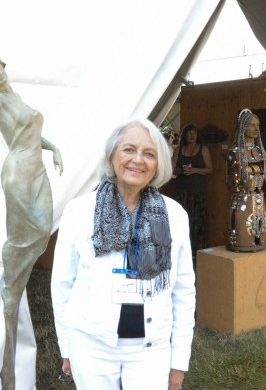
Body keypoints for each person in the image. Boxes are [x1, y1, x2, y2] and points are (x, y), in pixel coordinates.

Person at [51, 119, 195, 390]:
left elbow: (184, 291)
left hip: (151, 349)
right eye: (129, 149)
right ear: (112, 156)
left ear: (158, 164)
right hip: (91, 344)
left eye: (149, 154)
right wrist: (67, 345)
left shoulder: (174, 215)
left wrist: (179, 360)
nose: (138, 160)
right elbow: (62, 284)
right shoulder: (79, 211)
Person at [0, 49, 63, 389]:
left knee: (43, 228)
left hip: (37, 168)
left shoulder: (15, 98)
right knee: (31, 232)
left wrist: (53, 148)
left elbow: (33, 129)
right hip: (19, 172)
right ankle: (12, 292)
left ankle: (14, 285)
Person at [225, 109, 266, 252]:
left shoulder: (260, 152)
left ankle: (258, 241)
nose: (256, 128)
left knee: (261, 230)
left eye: (258, 125)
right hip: (242, 200)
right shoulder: (235, 153)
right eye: (252, 125)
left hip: (259, 199)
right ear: (243, 127)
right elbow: (232, 180)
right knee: (243, 235)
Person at [171, 124, 213, 260]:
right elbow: (172, 170)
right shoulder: (178, 150)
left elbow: (209, 169)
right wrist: (181, 171)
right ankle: (180, 249)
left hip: (198, 192)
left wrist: (194, 170)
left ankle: (197, 252)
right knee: (182, 221)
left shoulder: (203, 149)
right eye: (189, 133)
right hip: (182, 191)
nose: (192, 136)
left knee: (198, 222)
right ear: (185, 136)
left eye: (194, 133)